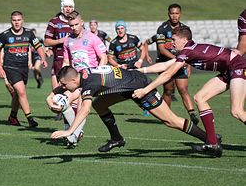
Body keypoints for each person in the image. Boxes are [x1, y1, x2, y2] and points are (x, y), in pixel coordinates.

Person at [49, 66, 221, 156]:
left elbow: (84, 109)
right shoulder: (83, 74)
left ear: (73, 80)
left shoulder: (89, 84)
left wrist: (70, 131)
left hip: (141, 87)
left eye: (64, 85)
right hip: (127, 87)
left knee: (171, 121)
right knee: (100, 105)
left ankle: (210, 139)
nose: (64, 88)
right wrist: (52, 96)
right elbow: (70, 89)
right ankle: (117, 139)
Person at [133, 26, 246, 157]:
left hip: (237, 67)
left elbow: (168, 74)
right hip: (229, 70)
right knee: (200, 97)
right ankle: (212, 143)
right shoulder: (189, 50)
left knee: (237, 111)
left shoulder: (187, 51)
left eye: (174, 39)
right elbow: (164, 66)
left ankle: (212, 142)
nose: (172, 43)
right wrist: (139, 71)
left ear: (184, 39)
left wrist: (145, 90)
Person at [46, 10, 108, 147]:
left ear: (82, 23)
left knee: (82, 109)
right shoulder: (68, 41)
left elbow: (104, 57)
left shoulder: (92, 38)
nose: (73, 28)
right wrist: (59, 84)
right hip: (74, 80)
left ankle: (72, 137)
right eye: (71, 25)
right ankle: (76, 133)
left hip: (89, 81)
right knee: (60, 101)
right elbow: (67, 63)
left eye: (76, 25)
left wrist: (97, 74)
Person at [0, 11, 48, 127]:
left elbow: (38, 46)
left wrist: (43, 58)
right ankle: (30, 119)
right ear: (11, 21)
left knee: (17, 95)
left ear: (22, 20)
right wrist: (0, 68)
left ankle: (12, 117)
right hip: (10, 67)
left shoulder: (29, 34)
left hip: (23, 69)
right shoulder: (5, 35)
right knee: (22, 92)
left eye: (18, 20)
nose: (16, 22)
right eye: (14, 20)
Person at [155, 3, 198, 124]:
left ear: (180, 14)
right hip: (166, 63)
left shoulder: (185, 29)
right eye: (172, 13)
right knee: (168, 90)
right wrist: (177, 59)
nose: (174, 16)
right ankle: (166, 116)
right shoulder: (162, 29)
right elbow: (162, 49)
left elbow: (190, 49)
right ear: (168, 14)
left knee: (183, 89)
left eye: (177, 13)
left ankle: (192, 115)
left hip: (181, 63)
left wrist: (188, 64)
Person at [108, 20, 151, 116]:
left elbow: (143, 48)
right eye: (118, 29)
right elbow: (110, 58)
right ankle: (144, 106)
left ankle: (149, 105)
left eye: (122, 28)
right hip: (124, 71)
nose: (120, 30)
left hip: (136, 68)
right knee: (130, 91)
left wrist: (140, 60)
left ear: (125, 29)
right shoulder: (114, 43)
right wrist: (118, 66)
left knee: (143, 86)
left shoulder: (133, 38)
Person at [44, 0, 75, 89]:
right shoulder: (54, 22)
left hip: (75, 59)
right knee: (57, 91)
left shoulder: (76, 22)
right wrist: (60, 41)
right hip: (59, 60)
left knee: (74, 91)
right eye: (66, 6)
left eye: (70, 7)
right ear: (62, 7)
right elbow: (46, 41)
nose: (68, 9)